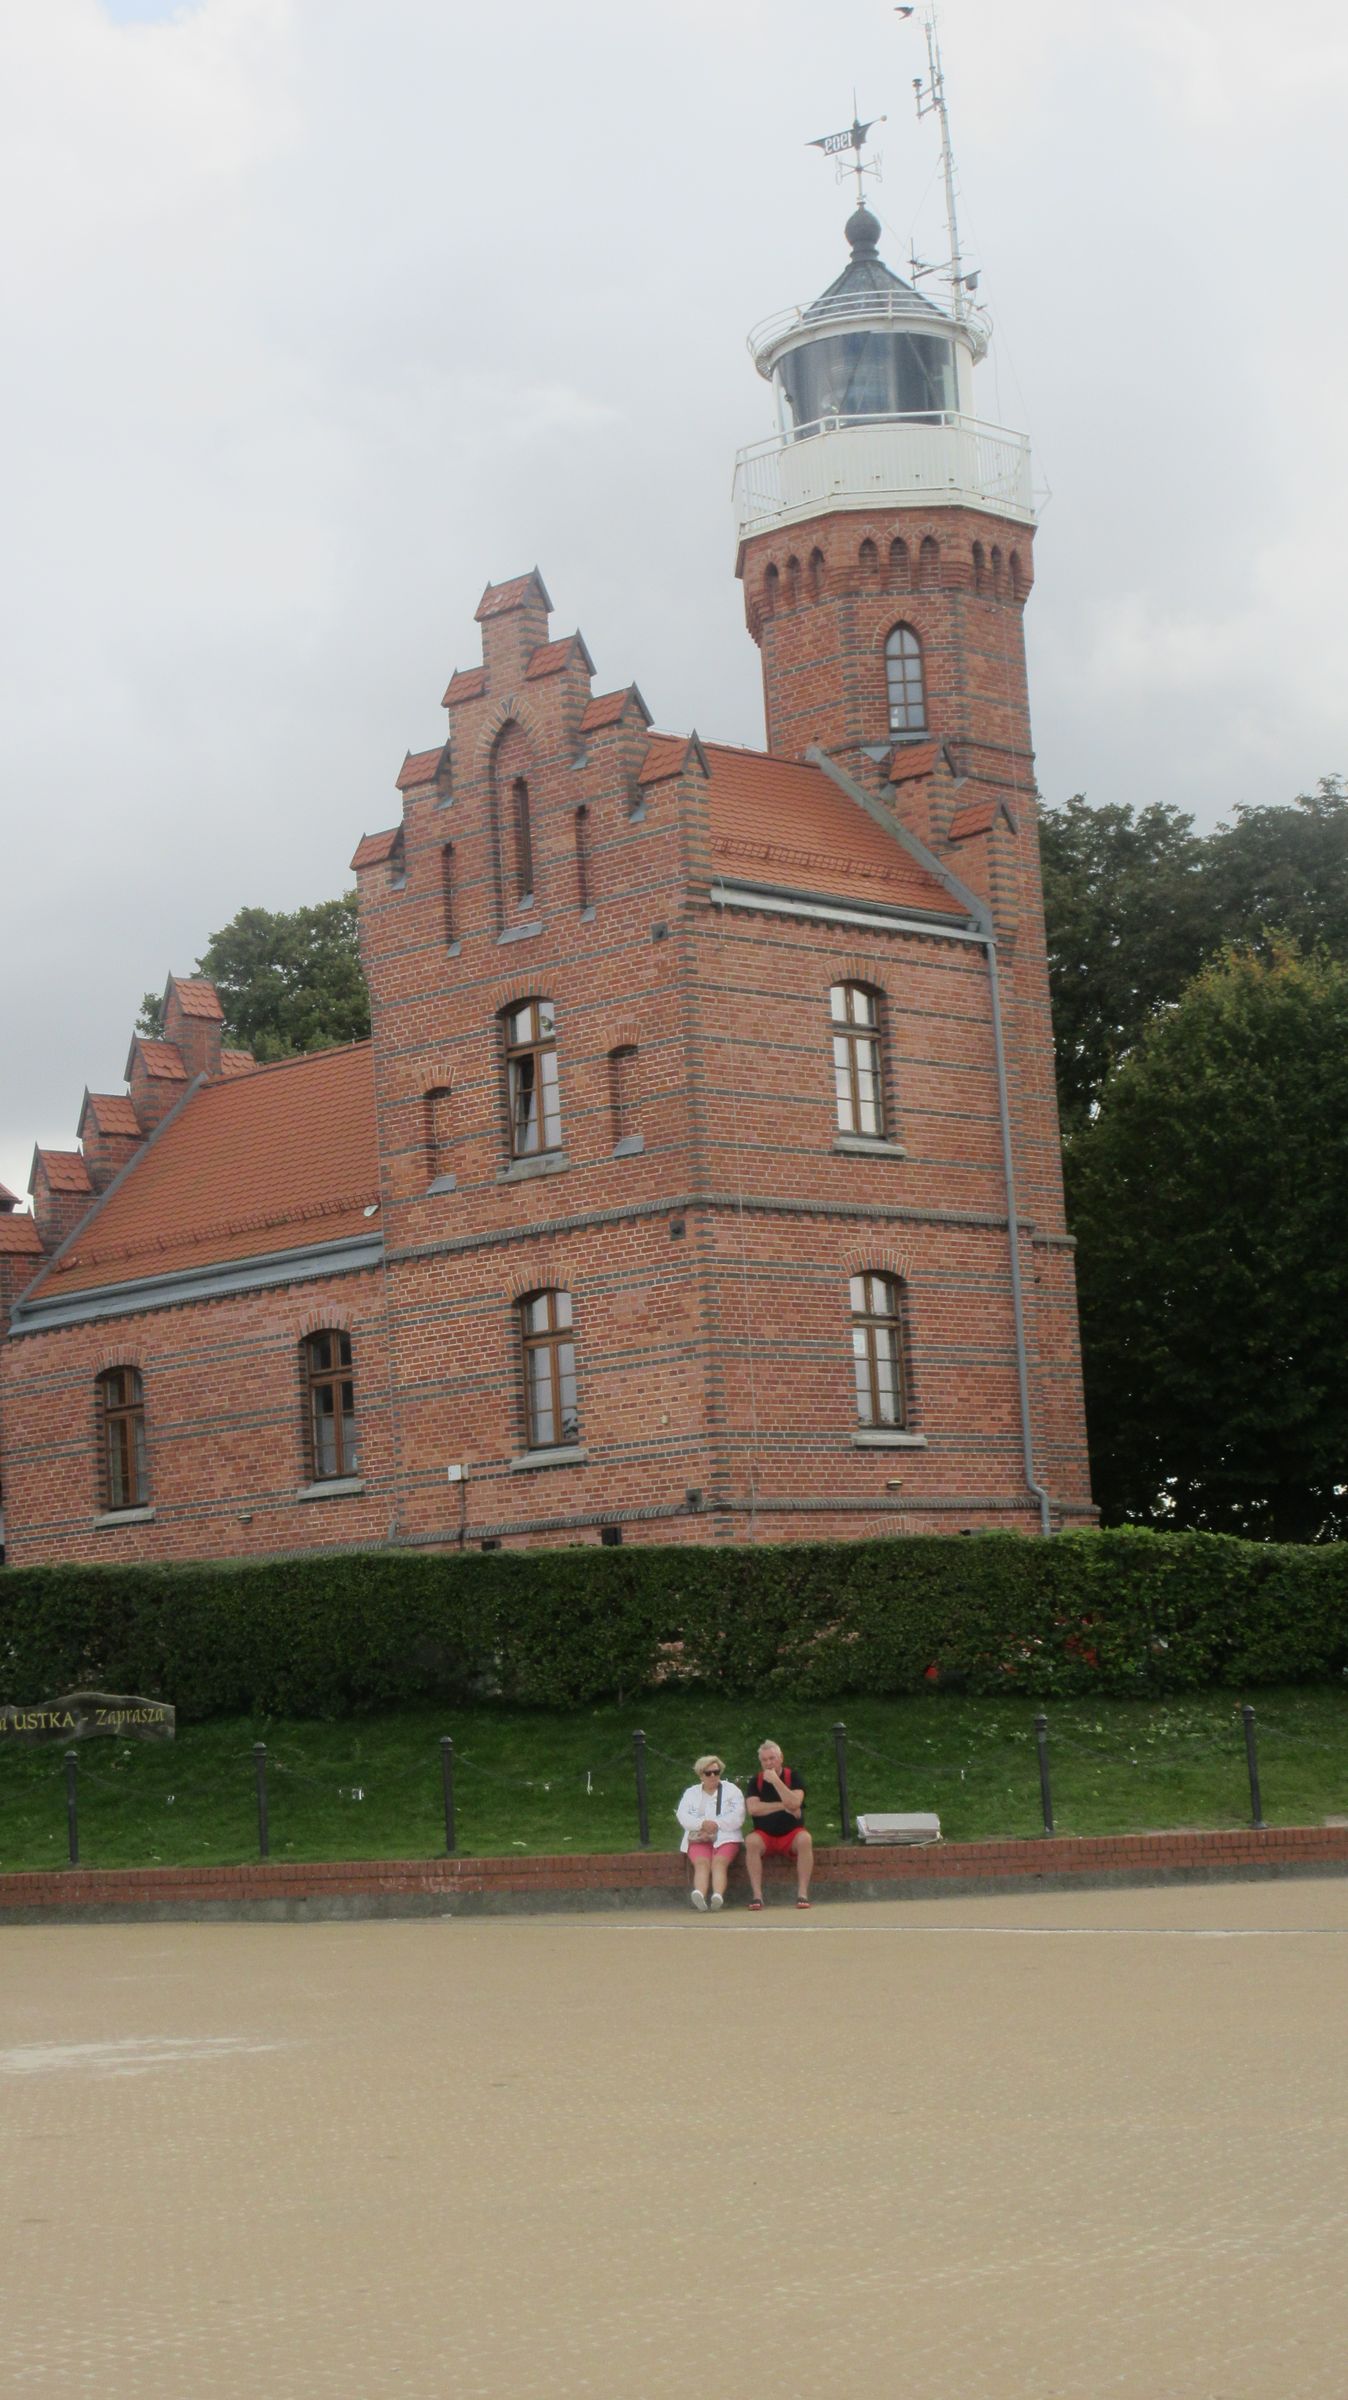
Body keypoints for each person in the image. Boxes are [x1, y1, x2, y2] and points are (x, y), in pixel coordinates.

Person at [743, 1738, 813, 1910]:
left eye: (772, 1758)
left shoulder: (793, 1777)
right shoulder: (756, 1781)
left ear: (781, 1758)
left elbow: (795, 1802)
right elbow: (753, 1809)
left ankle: (802, 1893)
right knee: (751, 1841)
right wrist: (784, 1806)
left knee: (805, 1839)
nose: (768, 1763)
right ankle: (757, 1896)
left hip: (791, 1833)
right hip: (764, 1834)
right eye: (764, 1760)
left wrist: (776, 1781)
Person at [675, 1754, 744, 1911]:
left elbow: (738, 1816)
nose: (713, 1776)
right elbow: (683, 1815)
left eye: (716, 1772)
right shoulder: (691, 1793)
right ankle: (699, 1894)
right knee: (701, 1863)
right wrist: (702, 1824)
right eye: (708, 1773)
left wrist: (716, 1825)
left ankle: (717, 1896)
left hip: (726, 1836)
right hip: (699, 1837)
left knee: (719, 1862)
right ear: (701, 1775)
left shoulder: (732, 1791)